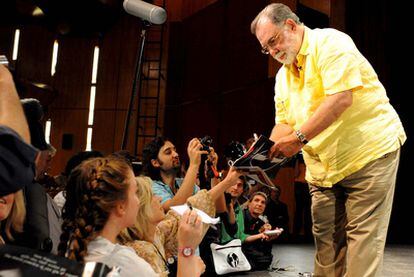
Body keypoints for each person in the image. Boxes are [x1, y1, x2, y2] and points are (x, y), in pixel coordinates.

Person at [251, 3, 406, 276]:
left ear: (290, 25)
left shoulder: (330, 42)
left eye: (273, 41)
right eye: (266, 48)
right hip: (323, 170)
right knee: (326, 251)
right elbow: (283, 124)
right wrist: (262, 149)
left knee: (362, 248)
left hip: (367, 154)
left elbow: (340, 99)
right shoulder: (282, 78)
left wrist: (297, 141)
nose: (273, 51)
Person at [59, 157, 206, 277]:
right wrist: (187, 251)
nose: (138, 200)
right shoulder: (124, 265)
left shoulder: (72, 251)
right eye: (135, 192)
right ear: (121, 206)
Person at [119, 167, 241, 276]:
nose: (159, 198)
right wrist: (190, 260)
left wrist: (228, 181)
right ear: (141, 208)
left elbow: (195, 205)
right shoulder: (140, 252)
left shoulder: (156, 233)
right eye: (152, 196)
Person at [142, 137, 208, 212]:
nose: (176, 154)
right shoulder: (151, 187)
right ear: (155, 163)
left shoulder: (182, 183)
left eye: (175, 150)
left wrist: (213, 169)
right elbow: (174, 208)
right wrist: (194, 165)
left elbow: (207, 201)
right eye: (168, 152)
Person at [242, 192, 280, 271]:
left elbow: (264, 247)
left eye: (263, 203)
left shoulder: (262, 222)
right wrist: (260, 234)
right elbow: (240, 238)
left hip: (253, 256)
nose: (260, 204)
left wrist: (270, 238)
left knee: (266, 256)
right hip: (239, 251)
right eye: (256, 200)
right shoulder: (241, 216)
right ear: (249, 203)